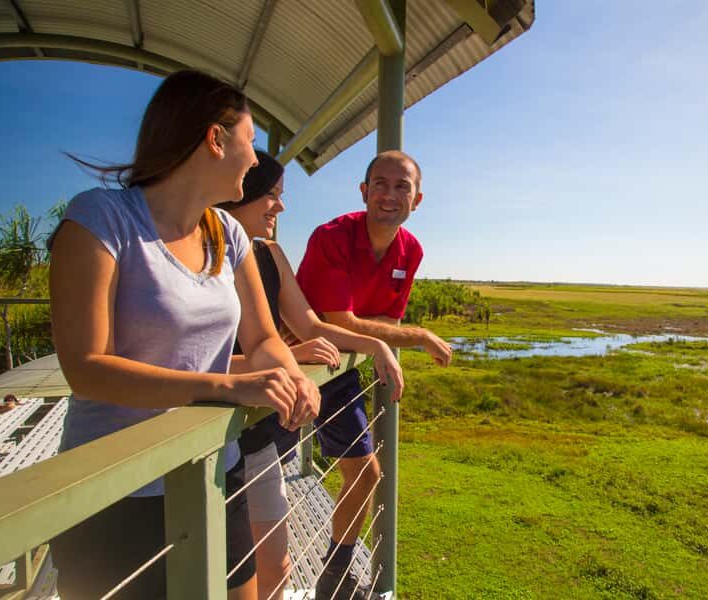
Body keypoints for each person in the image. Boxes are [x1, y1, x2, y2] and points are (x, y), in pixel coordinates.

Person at [47, 70, 320, 600]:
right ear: (215, 140)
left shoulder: (229, 233)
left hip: (215, 469)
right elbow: (86, 367)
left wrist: (292, 374)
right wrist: (225, 386)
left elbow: (263, 337)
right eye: (250, 141)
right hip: (115, 494)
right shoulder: (101, 219)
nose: (254, 157)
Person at [218, 150, 404, 600]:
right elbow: (194, 357)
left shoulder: (270, 253)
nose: (281, 207)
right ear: (236, 191)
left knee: (275, 566)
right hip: (213, 432)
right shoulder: (202, 252)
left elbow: (313, 324)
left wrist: (377, 345)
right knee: (223, 569)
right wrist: (289, 355)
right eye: (271, 195)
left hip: (259, 432)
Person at [296, 150, 453, 599]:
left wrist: (383, 340)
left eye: (402, 186)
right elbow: (337, 318)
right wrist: (416, 337)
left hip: (343, 366)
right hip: (300, 362)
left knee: (364, 474)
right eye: (380, 184)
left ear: (417, 199)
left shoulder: (411, 249)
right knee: (260, 474)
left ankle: (332, 578)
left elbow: (387, 316)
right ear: (363, 192)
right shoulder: (332, 236)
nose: (390, 194)